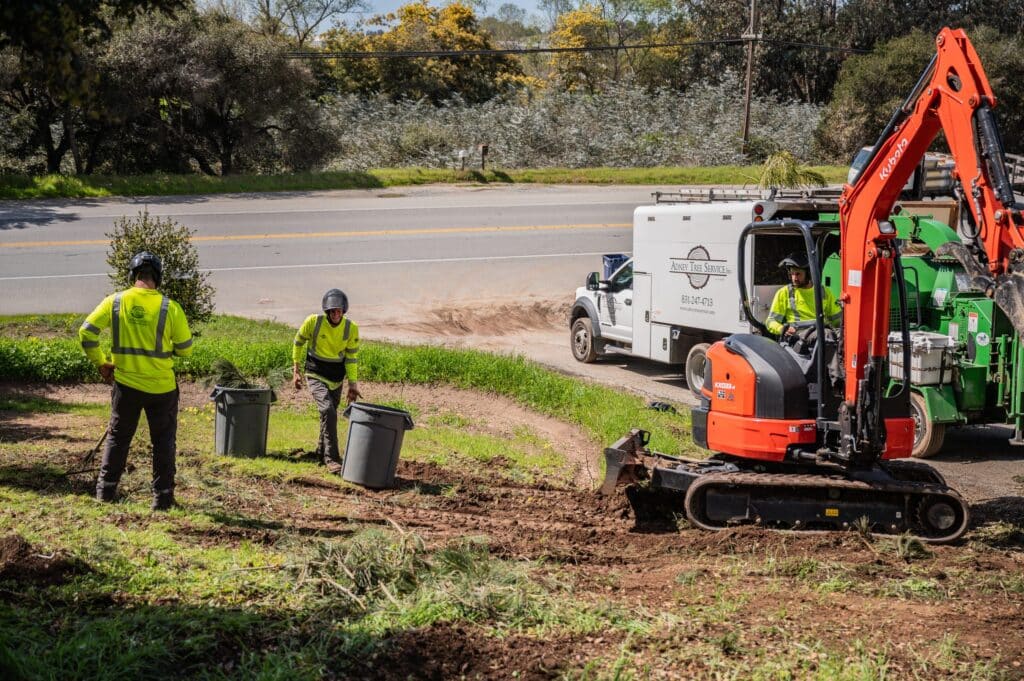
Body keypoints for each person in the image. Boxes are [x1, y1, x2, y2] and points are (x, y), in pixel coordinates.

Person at [79, 251, 193, 510]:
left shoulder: (115, 302)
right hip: (162, 389)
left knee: (118, 438)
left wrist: (101, 362)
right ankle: (162, 500)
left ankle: (105, 494)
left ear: (132, 276)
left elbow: (86, 333)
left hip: (126, 386)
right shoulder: (169, 307)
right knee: (163, 442)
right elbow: (186, 349)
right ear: (158, 278)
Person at [292, 288, 362, 474]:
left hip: (336, 378)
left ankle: (321, 452)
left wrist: (352, 384)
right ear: (327, 311)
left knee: (329, 415)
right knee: (327, 410)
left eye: (339, 311)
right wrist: (296, 370)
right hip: (315, 373)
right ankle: (332, 458)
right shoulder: (313, 322)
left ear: (344, 311)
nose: (336, 314)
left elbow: (351, 358)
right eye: (332, 311)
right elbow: (298, 343)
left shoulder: (351, 328)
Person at [765, 252, 842, 338]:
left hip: (822, 335)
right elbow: (770, 321)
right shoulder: (784, 292)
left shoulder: (823, 291)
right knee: (826, 335)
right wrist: (782, 329)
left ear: (808, 274)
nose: (794, 278)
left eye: (798, 274)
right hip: (797, 337)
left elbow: (837, 319)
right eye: (792, 274)